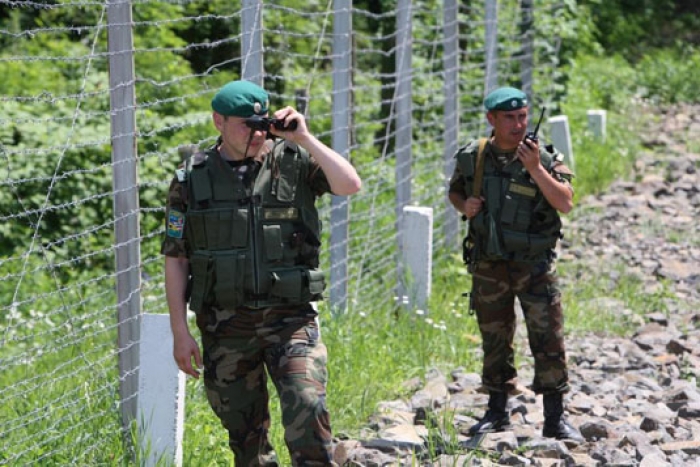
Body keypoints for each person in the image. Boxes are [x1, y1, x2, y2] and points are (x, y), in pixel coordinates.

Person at [162, 79, 361, 466]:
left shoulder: (294, 162)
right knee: (246, 437)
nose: (255, 134)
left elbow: (349, 184)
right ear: (218, 120)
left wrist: (304, 137)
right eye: (244, 125)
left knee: (307, 404)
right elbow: (176, 258)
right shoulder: (191, 178)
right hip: (225, 326)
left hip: (291, 318)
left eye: (261, 124)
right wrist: (179, 331)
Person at [448, 87, 584, 443]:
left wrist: (536, 168)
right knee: (494, 339)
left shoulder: (544, 156)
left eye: (523, 115)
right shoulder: (473, 157)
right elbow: (455, 191)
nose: (518, 123)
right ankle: (496, 412)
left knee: (548, 339)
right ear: (491, 119)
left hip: (534, 267)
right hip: (489, 266)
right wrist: (465, 207)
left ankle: (554, 418)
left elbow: (565, 202)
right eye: (509, 117)